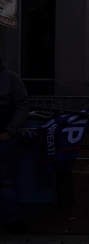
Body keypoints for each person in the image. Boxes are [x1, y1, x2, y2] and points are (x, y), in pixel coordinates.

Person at [0, 57, 29, 233]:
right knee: (5, 181)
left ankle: (12, 221)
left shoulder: (10, 78)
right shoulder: (10, 78)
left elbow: (22, 106)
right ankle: (12, 221)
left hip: (3, 137)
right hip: (5, 136)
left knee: (5, 181)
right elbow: (22, 106)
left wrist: (9, 131)